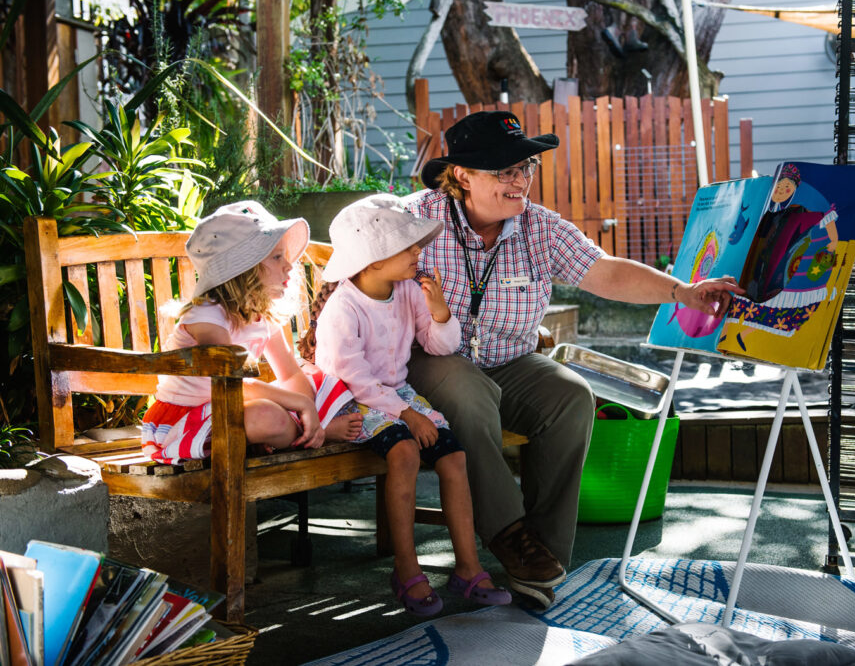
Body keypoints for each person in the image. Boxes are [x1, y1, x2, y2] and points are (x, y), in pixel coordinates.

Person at [404, 110, 744, 608]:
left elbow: (606, 272)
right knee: (467, 391)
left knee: (570, 395)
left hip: (509, 361)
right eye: (505, 171)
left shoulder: (538, 228)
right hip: (432, 358)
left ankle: (543, 558)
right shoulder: (413, 219)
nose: (521, 180)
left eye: (526, 168)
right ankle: (511, 535)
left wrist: (682, 292)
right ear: (461, 175)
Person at [299, 194, 512, 617]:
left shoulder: (408, 291)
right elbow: (354, 379)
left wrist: (439, 312)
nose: (419, 251)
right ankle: (407, 569)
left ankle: (468, 569)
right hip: (350, 401)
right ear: (374, 260)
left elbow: (441, 347)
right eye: (408, 246)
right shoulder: (344, 307)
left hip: (394, 395)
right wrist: (407, 414)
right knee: (404, 450)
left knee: (453, 457)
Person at [140, 201, 362, 465]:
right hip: (187, 422)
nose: (289, 265)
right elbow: (232, 383)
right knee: (267, 415)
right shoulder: (206, 316)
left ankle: (309, 431)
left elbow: (289, 373)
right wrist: (302, 407)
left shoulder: (264, 315)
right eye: (277, 257)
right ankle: (319, 435)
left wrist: (309, 406)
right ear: (243, 268)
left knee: (318, 381)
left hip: (232, 410)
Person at [722, 163, 840, 351]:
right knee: (746, 300)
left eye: (788, 188)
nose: (782, 191)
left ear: (793, 191)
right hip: (756, 268)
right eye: (779, 186)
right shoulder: (764, 212)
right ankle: (729, 334)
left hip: (778, 270)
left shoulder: (796, 212)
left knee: (774, 306)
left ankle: (743, 336)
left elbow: (823, 217)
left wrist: (833, 240)